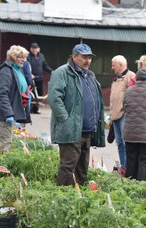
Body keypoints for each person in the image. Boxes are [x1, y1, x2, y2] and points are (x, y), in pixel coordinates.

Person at [48, 43, 105, 186]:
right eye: (84, 57)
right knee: (68, 166)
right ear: (74, 57)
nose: (88, 60)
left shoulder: (89, 76)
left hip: (87, 130)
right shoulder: (62, 72)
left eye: (90, 57)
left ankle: (78, 197)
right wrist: (66, 120)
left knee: (82, 169)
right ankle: (61, 196)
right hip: (72, 128)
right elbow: (55, 98)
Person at [0, 45, 29, 153]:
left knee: (6, 141)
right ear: (13, 57)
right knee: (5, 144)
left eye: (24, 57)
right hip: (5, 115)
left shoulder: (17, 69)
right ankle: (1, 168)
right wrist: (8, 114)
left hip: (13, 112)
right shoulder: (6, 71)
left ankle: (1, 166)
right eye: (20, 57)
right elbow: (2, 94)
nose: (23, 60)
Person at [109, 55, 135, 175]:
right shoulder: (117, 78)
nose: (112, 67)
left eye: (114, 64)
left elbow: (132, 96)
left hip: (124, 115)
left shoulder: (130, 76)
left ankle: (128, 168)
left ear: (121, 65)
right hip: (115, 115)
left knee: (125, 143)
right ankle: (123, 167)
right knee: (119, 143)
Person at [27, 42, 52, 114]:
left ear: (39, 49)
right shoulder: (28, 57)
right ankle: (29, 109)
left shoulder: (41, 56)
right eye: (33, 48)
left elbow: (45, 66)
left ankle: (35, 109)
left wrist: (52, 71)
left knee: (39, 94)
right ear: (31, 49)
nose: (34, 50)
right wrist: (29, 74)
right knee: (32, 94)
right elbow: (26, 67)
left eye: (36, 48)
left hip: (40, 78)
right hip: (31, 78)